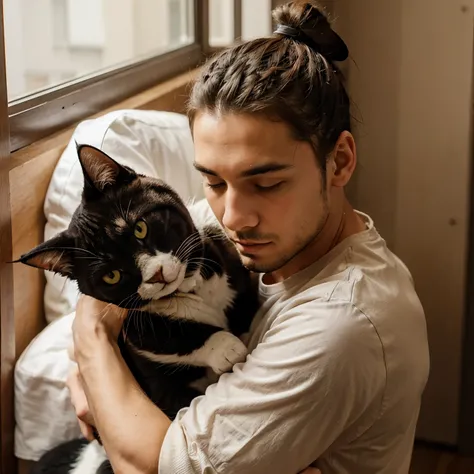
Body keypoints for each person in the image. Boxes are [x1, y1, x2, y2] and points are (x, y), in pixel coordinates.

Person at [67, 1, 430, 473]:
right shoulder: (248, 233)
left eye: (266, 183)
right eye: (214, 182)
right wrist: (84, 369)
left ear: (338, 162)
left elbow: (151, 467)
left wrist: (93, 343)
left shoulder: (341, 327)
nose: (232, 217)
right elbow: (105, 285)